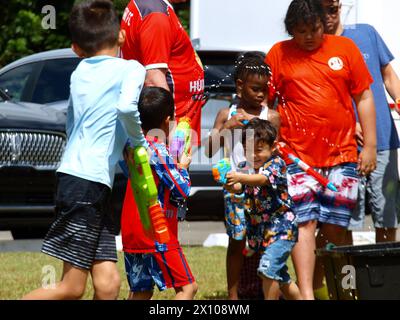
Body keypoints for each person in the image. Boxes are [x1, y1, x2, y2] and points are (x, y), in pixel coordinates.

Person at [23, 0, 146, 300]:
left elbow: (75, 123)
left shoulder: (79, 72)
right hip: (87, 184)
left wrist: (123, 145)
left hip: (79, 180)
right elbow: (127, 108)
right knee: (72, 287)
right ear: (121, 35)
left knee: (108, 284)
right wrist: (140, 144)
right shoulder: (132, 68)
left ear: (76, 48)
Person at [266, 0, 377, 300]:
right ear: (291, 30)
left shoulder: (345, 49)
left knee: (335, 228)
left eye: (314, 29)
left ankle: (319, 285)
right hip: (296, 156)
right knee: (304, 222)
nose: (309, 36)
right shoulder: (278, 54)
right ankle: (307, 295)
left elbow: (364, 97)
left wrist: (370, 145)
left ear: (323, 24)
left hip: (342, 154)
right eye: (301, 31)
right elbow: (266, 104)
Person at [320, 0, 400, 244]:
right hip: (343, 145)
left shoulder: (365, 32)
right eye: (322, 9)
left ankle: (384, 280)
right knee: (346, 220)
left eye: (332, 8)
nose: (328, 15)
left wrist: (398, 96)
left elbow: (387, 75)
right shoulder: (315, 47)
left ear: (339, 6)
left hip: (383, 138)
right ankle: (350, 281)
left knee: (386, 217)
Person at [205, 55, 280, 300]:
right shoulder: (227, 113)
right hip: (235, 189)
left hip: (263, 189)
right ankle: (233, 295)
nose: (260, 94)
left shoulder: (272, 116)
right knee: (237, 241)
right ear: (239, 86)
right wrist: (228, 127)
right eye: (255, 89)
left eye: (264, 89)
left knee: (268, 241)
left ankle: (266, 290)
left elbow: (276, 154)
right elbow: (208, 150)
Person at [121, 87, 198, 300]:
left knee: (141, 291)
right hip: (157, 231)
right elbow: (182, 189)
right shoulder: (158, 150)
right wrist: (181, 165)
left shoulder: (131, 146)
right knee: (188, 288)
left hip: (132, 231)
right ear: (167, 120)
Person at [224, 118, 301, 300]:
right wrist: (229, 184)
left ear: (272, 147)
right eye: (248, 151)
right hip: (264, 232)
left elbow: (262, 180)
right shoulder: (248, 168)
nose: (253, 156)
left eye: (259, 150)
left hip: (282, 229)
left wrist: (239, 177)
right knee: (282, 278)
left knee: (267, 270)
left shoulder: (276, 164)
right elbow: (240, 188)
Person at [120, 0, 205, 144]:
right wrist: (173, 141)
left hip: (167, 127)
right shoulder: (156, 15)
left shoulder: (148, 5)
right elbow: (153, 79)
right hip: (165, 136)